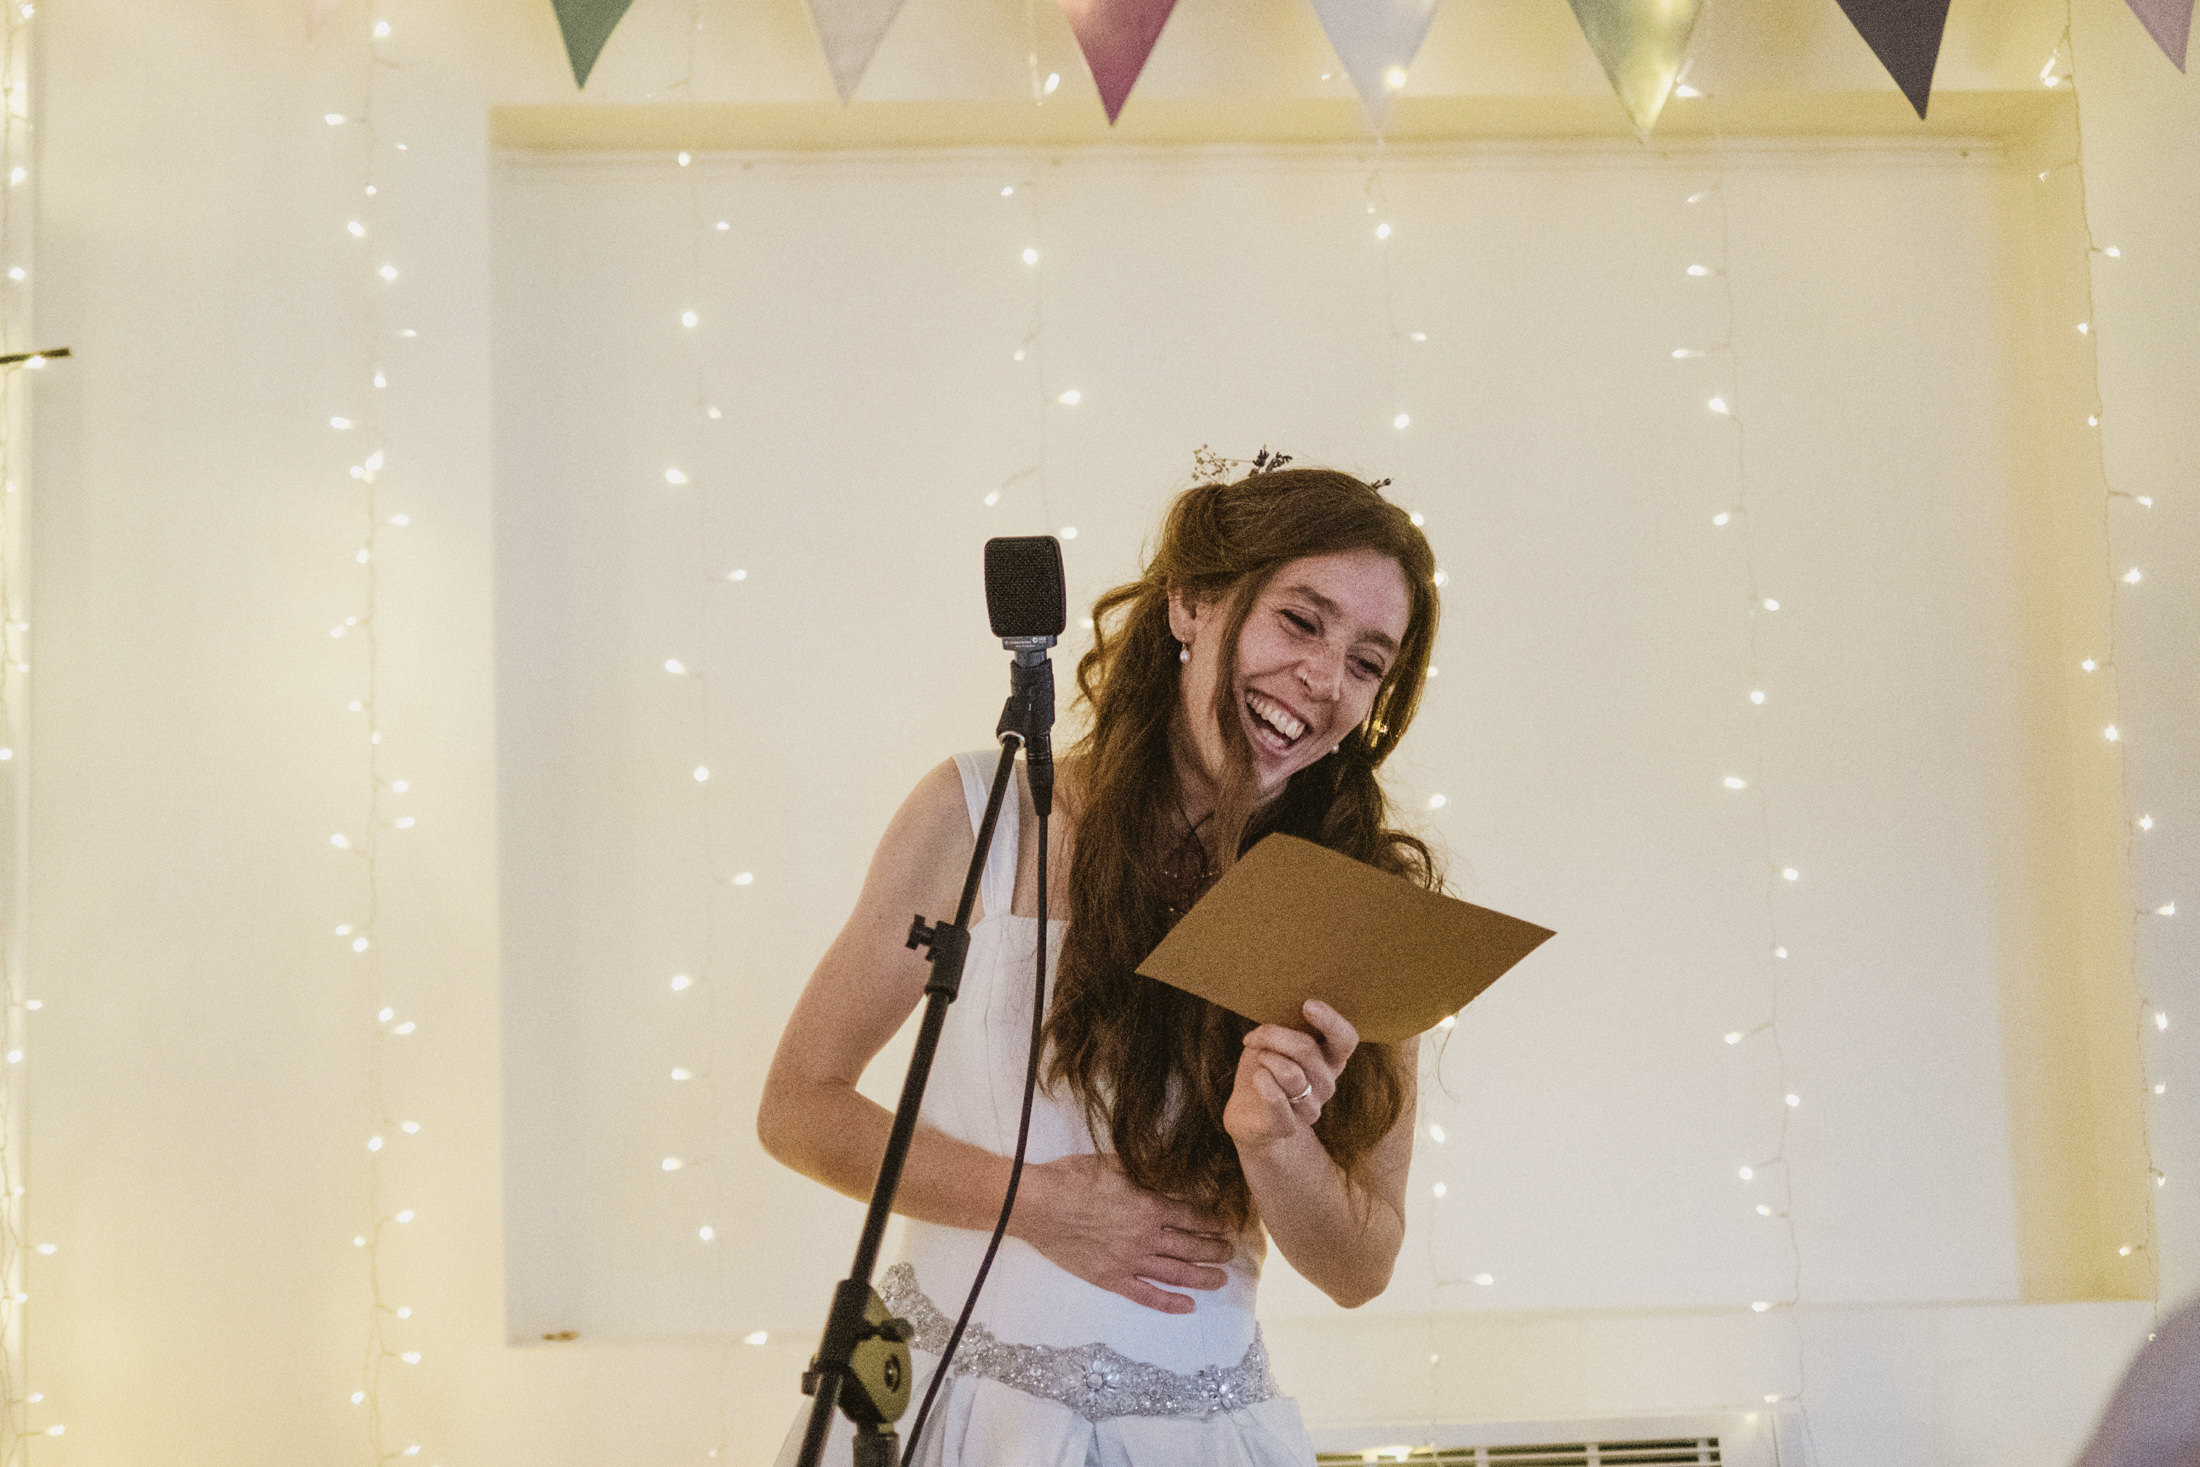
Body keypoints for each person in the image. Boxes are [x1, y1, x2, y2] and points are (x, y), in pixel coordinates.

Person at [758, 464, 1444, 1465]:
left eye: (1367, 661)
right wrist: (1034, 1204)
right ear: (1192, 603)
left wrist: (1274, 1142)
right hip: (950, 1418)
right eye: (1300, 622)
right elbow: (798, 1107)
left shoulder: (1355, 904)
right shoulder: (979, 814)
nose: (1324, 680)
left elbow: (1360, 1265)